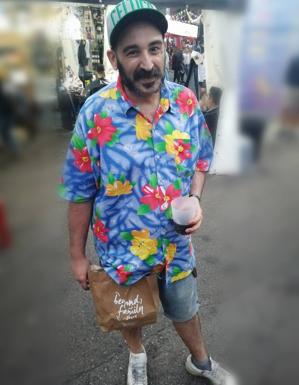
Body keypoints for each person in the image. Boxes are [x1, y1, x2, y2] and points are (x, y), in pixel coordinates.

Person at [60, 1, 237, 385]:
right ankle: (137, 355)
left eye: (154, 48)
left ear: (164, 48)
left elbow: (202, 161)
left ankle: (201, 361)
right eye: (132, 51)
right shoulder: (94, 114)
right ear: (113, 57)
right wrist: (76, 254)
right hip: (121, 247)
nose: (147, 62)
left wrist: (196, 200)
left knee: (185, 308)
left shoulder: (186, 103)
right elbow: (78, 190)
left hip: (175, 247)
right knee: (129, 311)